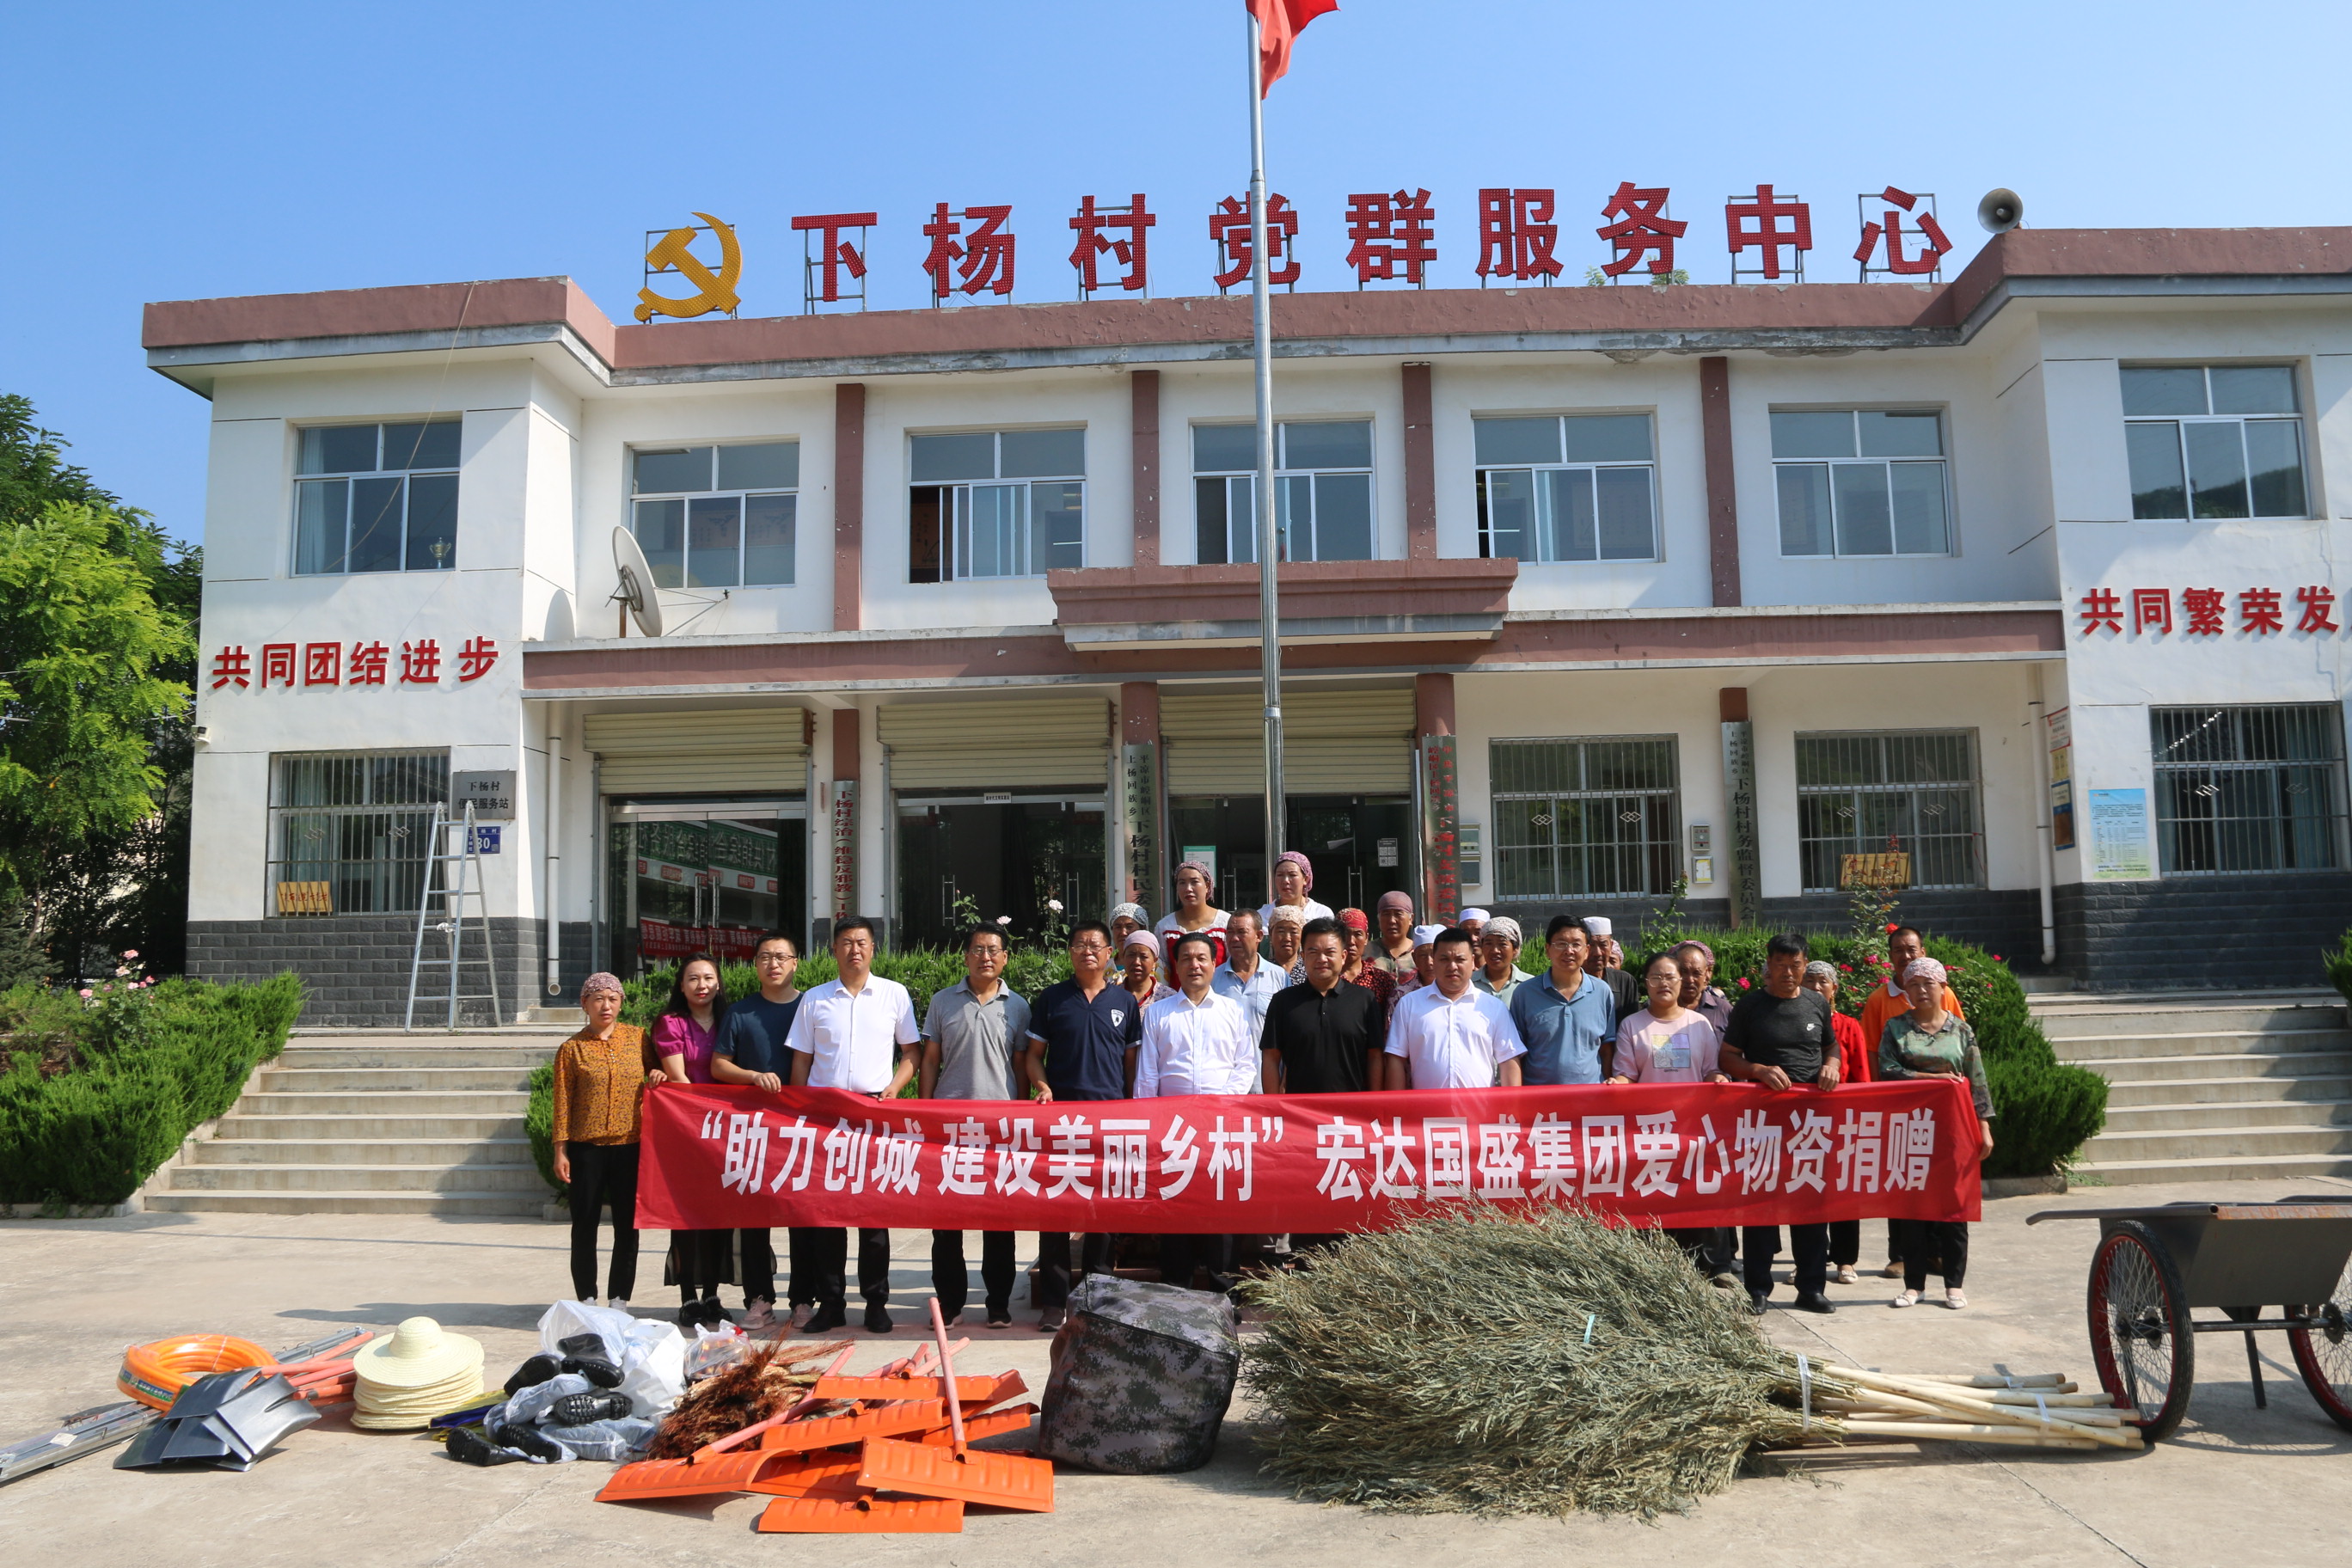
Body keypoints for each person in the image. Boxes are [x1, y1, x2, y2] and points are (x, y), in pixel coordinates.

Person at [785, 916, 919, 1334]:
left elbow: (911, 1053)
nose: (854, 950)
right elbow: (802, 1060)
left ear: (873, 949)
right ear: (834, 950)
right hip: (825, 1117)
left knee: (873, 1216)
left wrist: (894, 1088)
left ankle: (876, 1303)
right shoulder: (815, 999)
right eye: (846, 943)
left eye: (861, 942)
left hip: (874, 1114)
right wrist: (801, 1110)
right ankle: (831, 1304)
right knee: (827, 1218)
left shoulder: (894, 994)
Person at [1022, 921, 1142, 1331]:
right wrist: (1042, 1086)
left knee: (1102, 1213)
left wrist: (1130, 1108)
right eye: (1079, 945)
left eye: (1095, 945)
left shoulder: (1124, 1002)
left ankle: (1099, 1299)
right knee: (1055, 1211)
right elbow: (1033, 1055)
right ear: (1070, 952)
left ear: (1110, 953)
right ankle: (1054, 1303)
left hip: (1110, 1121)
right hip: (1062, 1123)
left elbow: (1131, 1064)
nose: (1087, 951)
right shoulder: (1052, 998)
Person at [1719, 933, 1842, 1316]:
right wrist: (1757, 1070)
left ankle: (1811, 1288)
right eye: (1780, 965)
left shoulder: (1816, 1003)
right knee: (1761, 1208)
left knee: (1811, 1207)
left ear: (1805, 966)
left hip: (1810, 1123)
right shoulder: (1751, 1005)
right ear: (1768, 966)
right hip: (1764, 1123)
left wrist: (1832, 1065)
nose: (1788, 972)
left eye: (1795, 965)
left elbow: (1831, 1046)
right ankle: (1757, 1289)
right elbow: (1728, 1057)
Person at [919, 925, 1031, 1328]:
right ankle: (950, 1304)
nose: (986, 957)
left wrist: (1022, 1119)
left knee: (999, 1222)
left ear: (1005, 958)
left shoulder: (1018, 1006)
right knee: (946, 1223)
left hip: (1000, 1129)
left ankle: (998, 1303)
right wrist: (925, 1113)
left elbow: (1021, 1065)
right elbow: (930, 1060)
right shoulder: (942, 1001)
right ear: (966, 956)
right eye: (978, 950)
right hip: (949, 1128)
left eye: (993, 950)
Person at [1608, 951, 1738, 1289]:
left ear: (1681, 982)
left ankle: (1715, 1266)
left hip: (1692, 1127)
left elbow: (1710, 1070)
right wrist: (1616, 1083)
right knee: (1653, 1196)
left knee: (1701, 1194)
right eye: (1656, 977)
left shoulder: (1699, 1024)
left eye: (1670, 977)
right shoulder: (1632, 1025)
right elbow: (1627, 1075)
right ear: (1646, 983)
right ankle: (1658, 1266)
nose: (1663, 983)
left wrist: (1718, 1079)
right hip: (1649, 1130)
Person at [1136, 933, 1259, 1292]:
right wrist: (1148, 1128)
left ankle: (1225, 1298)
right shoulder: (1159, 1013)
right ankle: (1177, 1297)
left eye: (1202, 958)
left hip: (1220, 1129)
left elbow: (1245, 1066)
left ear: (1214, 963)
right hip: (1172, 1133)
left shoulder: (1232, 1011)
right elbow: (1148, 1074)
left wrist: (1219, 1106)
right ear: (1176, 965)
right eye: (1187, 958)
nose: (1194, 965)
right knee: (1176, 1214)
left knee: (1221, 1215)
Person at [1261, 916, 1386, 1260]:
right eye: (1313, 951)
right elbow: (1271, 1059)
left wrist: (1373, 1107)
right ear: (1302, 955)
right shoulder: (1284, 1002)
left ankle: (1350, 1276)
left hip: (1353, 1123)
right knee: (1308, 1201)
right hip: (1301, 1124)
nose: (1321, 959)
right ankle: (1308, 1272)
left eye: (1329, 951)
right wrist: (1274, 1109)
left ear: (1344, 955)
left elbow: (1375, 1057)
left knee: (1352, 1204)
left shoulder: (1364, 1001)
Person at [1878, 956, 1995, 1310]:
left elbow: (1977, 1080)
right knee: (1913, 1208)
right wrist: (1933, 1079)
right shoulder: (1895, 1027)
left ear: (1943, 988)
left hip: (1954, 1128)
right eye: (1913, 984)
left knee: (1954, 1208)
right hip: (1910, 1127)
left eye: (1929, 983)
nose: (1921, 990)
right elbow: (1887, 1071)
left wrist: (1984, 1126)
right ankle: (1914, 1285)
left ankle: (1954, 1285)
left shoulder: (1961, 1030)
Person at [1859, 926, 1963, 1279]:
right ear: (1889, 957)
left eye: (1911, 949)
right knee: (1901, 1179)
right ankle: (1900, 1254)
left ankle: (1935, 1253)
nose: (1906, 956)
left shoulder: (1945, 994)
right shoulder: (1879, 1000)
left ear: (1923, 951)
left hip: (1941, 1108)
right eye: (1898, 950)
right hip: (1899, 1105)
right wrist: (1877, 1098)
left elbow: (1960, 1045)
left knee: (1937, 1178)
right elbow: (1872, 1053)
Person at [709, 934, 801, 1331]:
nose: (773, 964)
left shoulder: (811, 1007)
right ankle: (759, 1299)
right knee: (754, 1218)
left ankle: (803, 1299)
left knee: (803, 1216)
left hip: (802, 1129)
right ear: (756, 964)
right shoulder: (740, 1012)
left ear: (795, 962)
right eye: (765, 957)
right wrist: (753, 1077)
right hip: (754, 1129)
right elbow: (719, 1065)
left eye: (781, 957)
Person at [551, 972, 652, 1312]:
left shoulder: (638, 1038)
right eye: (598, 999)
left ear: (621, 1003)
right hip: (586, 1150)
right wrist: (561, 1150)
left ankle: (620, 1298)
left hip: (630, 1145)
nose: (605, 1005)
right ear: (585, 1004)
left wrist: (659, 1074)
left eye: (612, 998)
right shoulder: (571, 1049)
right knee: (584, 1225)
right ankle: (587, 1298)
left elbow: (660, 1076)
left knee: (627, 1225)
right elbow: (562, 1102)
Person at [651, 956, 737, 1328]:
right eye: (693, 979)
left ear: (718, 983)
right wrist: (701, 1118)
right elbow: (678, 1078)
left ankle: (712, 1294)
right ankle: (688, 1295)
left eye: (708, 978)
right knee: (685, 1216)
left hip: (726, 1132)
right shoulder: (671, 1023)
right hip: (686, 1130)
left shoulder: (731, 1019)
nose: (702, 985)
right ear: (681, 985)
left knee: (720, 1215)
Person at [1384, 928, 1527, 1090]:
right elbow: (1396, 1059)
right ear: (1434, 961)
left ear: (1472, 961)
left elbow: (1509, 1060)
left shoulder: (1493, 1007)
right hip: (1426, 1105)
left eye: (1460, 959)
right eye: (1444, 959)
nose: (1452, 966)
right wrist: (1397, 1103)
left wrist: (1512, 1103)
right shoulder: (1409, 1004)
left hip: (1480, 1105)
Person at [1804, 959, 1873, 1286]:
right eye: (1810, 981)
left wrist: (1861, 1116)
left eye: (1823, 981)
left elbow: (1860, 1072)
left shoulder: (1848, 1025)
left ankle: (1845, 1259)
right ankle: (1809, 1259)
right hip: (1804, 1120)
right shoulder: (1795, 1019)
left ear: (1835, 989)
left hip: (1843, 1119)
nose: (1816, 987)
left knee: (1844, 1190)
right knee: (1807, 1190)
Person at [1509, 916, 1617, 1086]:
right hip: (1539, 1096)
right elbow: (1515, 1051)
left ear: (1587, 950)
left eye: (1576, 944)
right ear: (1547, 949)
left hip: (1591, 1095)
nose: (1569, 951)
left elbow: (1606, 1048)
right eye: (1561, 944)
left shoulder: (1602, 992)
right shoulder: (1525, 993)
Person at [1212, 909, 1283, 1061]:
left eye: (1241, 932)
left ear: (1259, 936)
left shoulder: (1279, 977)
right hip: (1225, 1071)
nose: (1234, 938)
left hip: (1266, 1072)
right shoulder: (1213, 978)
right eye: (1230, 932)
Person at [1154, 861, 1228, 971]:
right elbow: (1161, 969)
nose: (1188, 888)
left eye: (1194, 882)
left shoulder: (1225, 922)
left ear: (1207, 886)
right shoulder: (1164, 927)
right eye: (1182, 883)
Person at [1337, 908, 1399, 1032]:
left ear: (1366, 938)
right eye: (1345, 934)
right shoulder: (1326, 978)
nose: (1351, 941)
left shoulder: (1382, 980)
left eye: (1358, 934)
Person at [1258, 849, 1335, 932]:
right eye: (1280, 875)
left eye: (1292, 875)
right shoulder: (1261, 916)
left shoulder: (1322, 914)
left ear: (1305, 879)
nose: (1286, 881)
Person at [1581, 916, 1642, 1020]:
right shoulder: (1569, 980)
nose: (1597, 953)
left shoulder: (1624, 981)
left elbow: (1633, 1023)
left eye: (1603, 945)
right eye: (1591, 945)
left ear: (1611, 945)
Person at [1672, 940, 1733, 1037]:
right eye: (1683, 972)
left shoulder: (1723, 1009)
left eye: (1696, 973)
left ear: (1706, 974)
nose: (1690, 980)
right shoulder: (1659, 1009)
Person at [1473, 916, 1529, 1006]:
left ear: (1515, 949)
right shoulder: (1468, 983)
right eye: (1489, 943)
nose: (1495, 950)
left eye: (1502, 944)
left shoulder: (1530, 985)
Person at [1118, 929, 1177, 1007]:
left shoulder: (1169, 997)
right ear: (1123, 958)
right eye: (1131, 955)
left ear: (1154, 961)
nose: (1136, 962)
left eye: (1143, 956)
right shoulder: (1111, 995)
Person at [1369, 891, 1418, 976]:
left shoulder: (1419, 952)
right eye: (1386, 914)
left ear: (1410, 919)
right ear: (1378, 919)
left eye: (1398, 914)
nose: (1392, 921)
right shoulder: (1365, 952)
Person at [1266, 905, 1308, 984]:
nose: (1287, 938)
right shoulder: (1261, 972)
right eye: (1281, 931)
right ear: (1270, 933)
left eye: (1294, 932)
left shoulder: (1311, 970)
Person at [1402, 923, 1442, 990]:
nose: (1429, 962)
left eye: (1434, 954)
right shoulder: (1402, 993)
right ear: (1414, 958)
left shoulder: (1459, 990)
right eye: (1423, 955)